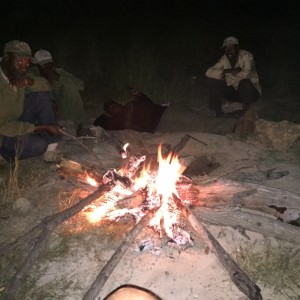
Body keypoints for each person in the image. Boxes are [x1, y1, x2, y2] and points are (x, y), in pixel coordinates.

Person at [0, 40, 62, 163]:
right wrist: (42, 127)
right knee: (38, 146)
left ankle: (51, 146)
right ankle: (4, 154)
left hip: (17, 120)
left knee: (41, 95)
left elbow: (46, 86)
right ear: (6, 58)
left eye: (27, 65)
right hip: (4, 132)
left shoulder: (16, 74)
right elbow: (4, 126)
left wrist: (30, 82)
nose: (23, 68)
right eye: (20, 62)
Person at [33, 49, 87, 136]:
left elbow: (81, 85)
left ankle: (79, 125)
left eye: (49, 64)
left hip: (61, 106)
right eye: (44, 65)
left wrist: (58, 77)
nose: (48, 67)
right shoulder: (33, 74)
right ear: (37, 66)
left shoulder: (58, 72)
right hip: (43, 107)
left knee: (71, 88)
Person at [205, 36, 261, 118]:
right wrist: (228, 71)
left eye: (231, 48)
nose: (228, 51)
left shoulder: (247, 56)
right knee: (212, 81)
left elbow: (245, 74)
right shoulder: (224, 59)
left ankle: (246, 112)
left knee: (244, 83)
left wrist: (225, 76)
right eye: (226, 49)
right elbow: (208, 72)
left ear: (237, 47)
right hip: (235, 92)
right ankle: (218, 112)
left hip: (252, 93)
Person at [93, 88, 167, 133]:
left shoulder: (128, 107)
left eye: (113, 104)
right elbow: (97, 123)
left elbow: (146, 103)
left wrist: (139, 95)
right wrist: (105, 114)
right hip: (146, 126)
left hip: (154, 115)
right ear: (110, 113)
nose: (114, 106)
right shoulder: (115, 119)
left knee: (146, 106)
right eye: (111, 108)